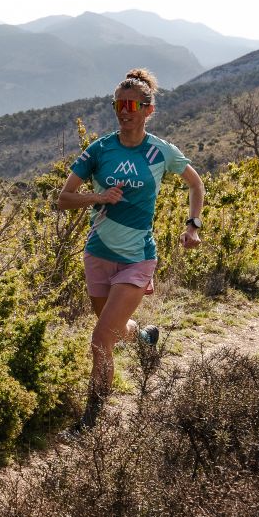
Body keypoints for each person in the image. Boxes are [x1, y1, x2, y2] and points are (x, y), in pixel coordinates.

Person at [56, 68, 203, 430]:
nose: (125, 111)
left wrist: (193, 226)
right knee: (114, 328)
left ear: (148, 109)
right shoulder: (100, 149)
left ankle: (91, 419)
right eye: (119, 104)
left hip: (137, 258)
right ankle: (144, 336)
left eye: (133, 105)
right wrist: (98, 197)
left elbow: (196, 184)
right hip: (98, 254)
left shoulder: (160, 151)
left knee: (100, 338)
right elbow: (63, 198)